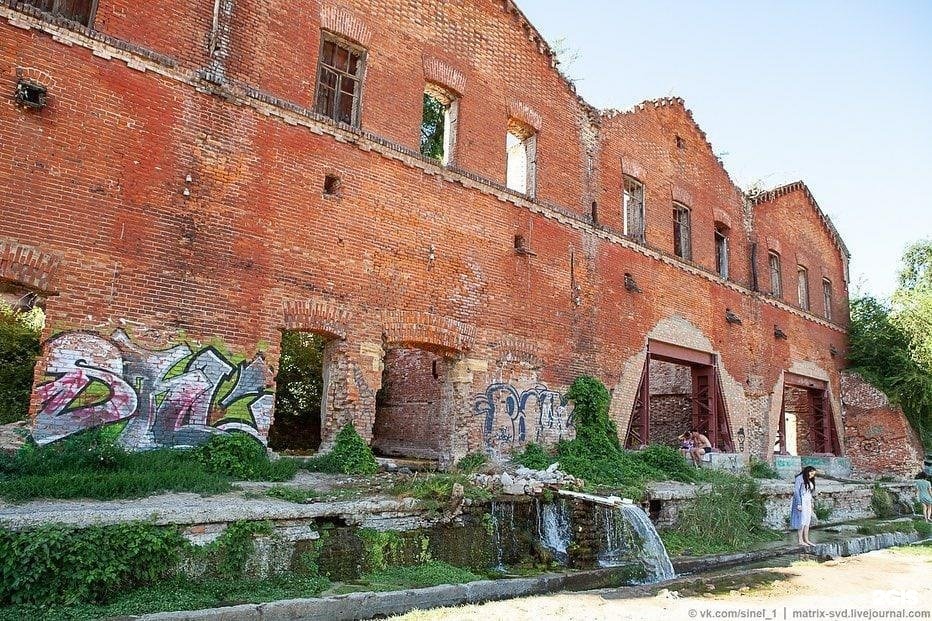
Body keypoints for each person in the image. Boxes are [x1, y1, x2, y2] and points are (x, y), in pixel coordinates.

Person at [791, 466, 817, 547]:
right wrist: (799, 504)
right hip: (801, 501)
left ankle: (806, 539)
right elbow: (796, 491)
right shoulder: (799, 478)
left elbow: (810, 492)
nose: (812, 475)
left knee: (807, 520)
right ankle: (800, 540)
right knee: (801, 520)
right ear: (807, 471)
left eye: (813, 474)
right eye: (811, 473)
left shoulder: (810, 479)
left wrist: (812, 503)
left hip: (807, 501)